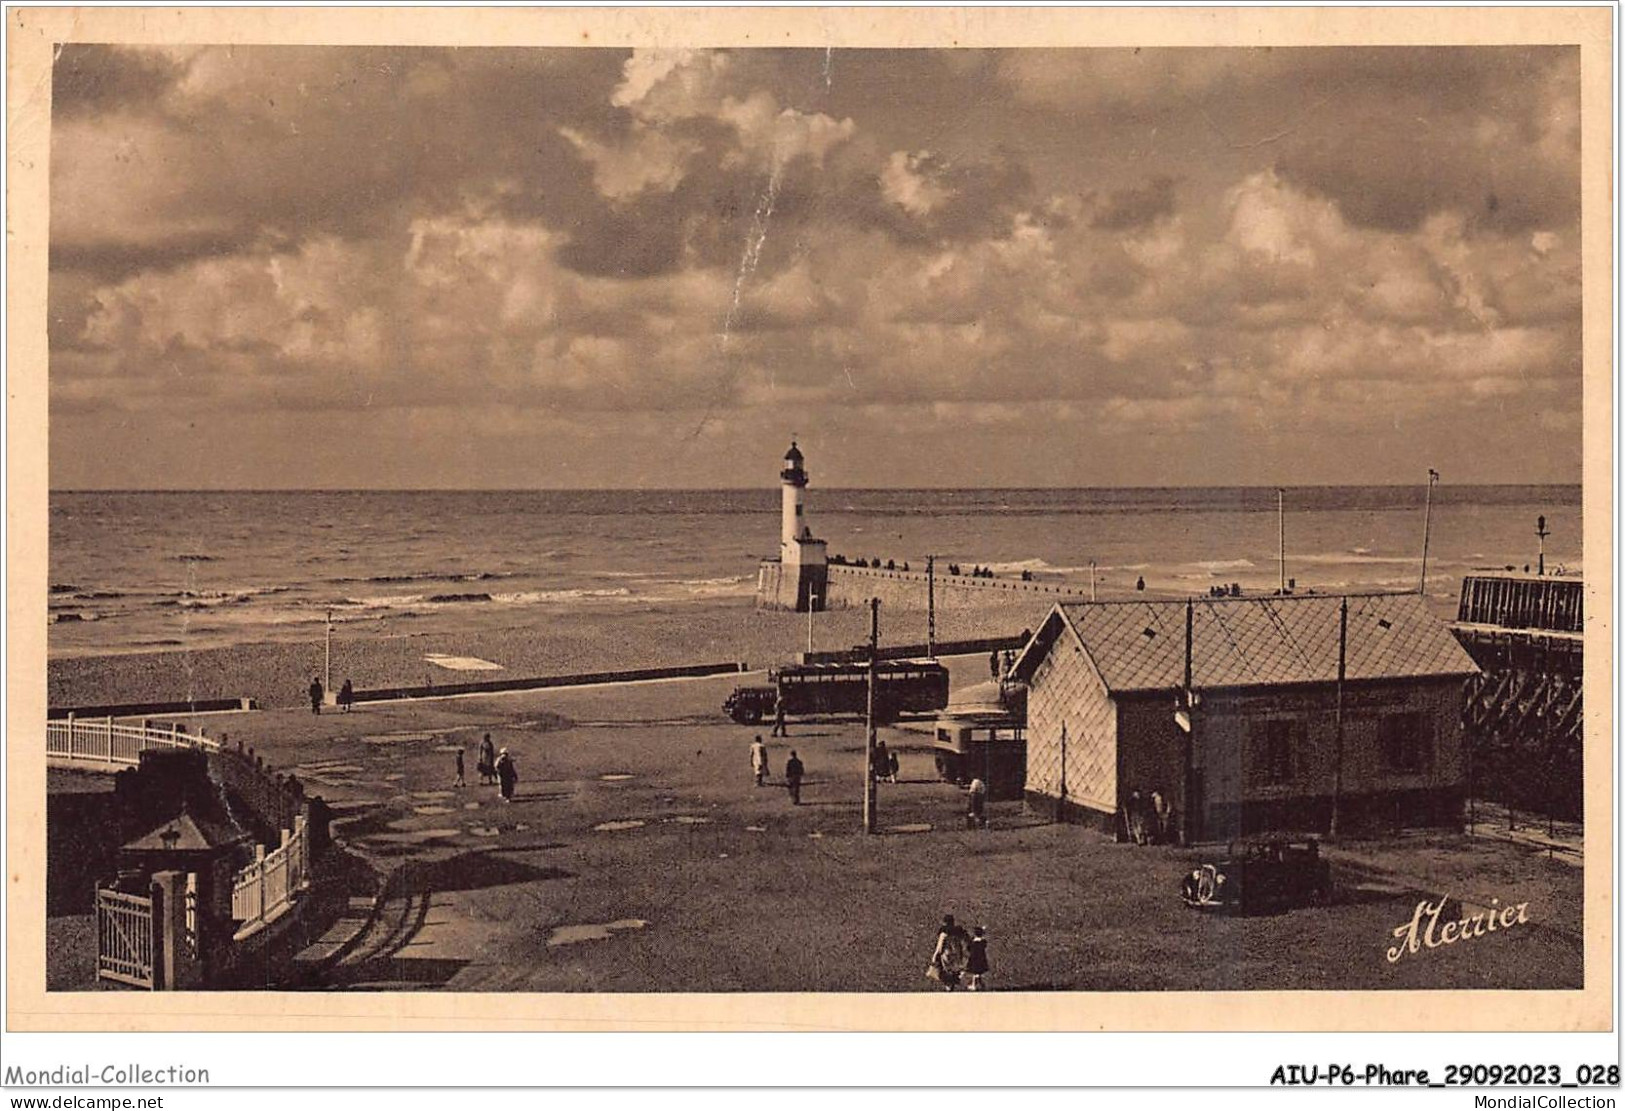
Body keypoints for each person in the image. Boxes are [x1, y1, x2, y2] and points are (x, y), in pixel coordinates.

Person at [929, 914, 970, 991]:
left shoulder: (943, 933)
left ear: (944, 922)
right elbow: (966, 941)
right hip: (957, 953)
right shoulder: (958, 932)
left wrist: (935, 956)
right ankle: (952, 986)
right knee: (954, 971)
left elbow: (940, 947)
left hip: (947, 954)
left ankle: (948, 987)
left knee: (946, 972)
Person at [966, 926, 990, 992]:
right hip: (981, 959)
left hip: (973, 959)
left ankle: (974, 985)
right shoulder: (982, 942)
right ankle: (981, 985)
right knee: (978, 973)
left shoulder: (972, 942)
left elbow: (968, 948)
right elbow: (984, 945)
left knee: (975, 973)